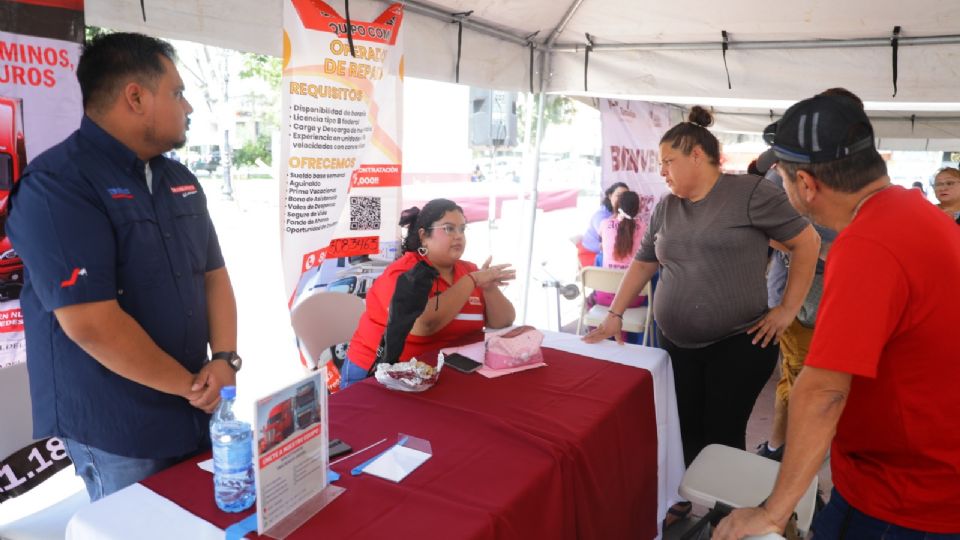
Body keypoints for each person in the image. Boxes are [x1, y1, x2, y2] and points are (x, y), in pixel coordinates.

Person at [6, 33, 239, 501]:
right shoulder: (57, 185)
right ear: (135, 97)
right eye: (176, 93)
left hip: (195, 403)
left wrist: (224, 359)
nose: (188, 106)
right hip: (118, 424)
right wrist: (191, 386)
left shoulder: (178, 177)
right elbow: (92, 324)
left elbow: (213, 274)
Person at [716, 94, 960, 539]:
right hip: (905, 474)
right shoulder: (914, 212)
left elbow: (823, 392)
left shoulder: (868, 244)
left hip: (905, 499)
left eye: (782, 176)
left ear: (805, 184)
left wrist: (772, 512)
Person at [583, 106, 820, 526]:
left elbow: (807, 242)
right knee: (683, 427)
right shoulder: (667, 207)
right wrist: (615, 313)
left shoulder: (749, 193)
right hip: (677, 343)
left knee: (722, 433)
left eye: (668, 162)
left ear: (697, 155)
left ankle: (728, 517)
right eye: (660, 165)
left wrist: (785, 310)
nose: (663, 172)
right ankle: (685, 499)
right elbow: (643, 262)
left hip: (738, 342)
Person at [341, 198, 516, 390]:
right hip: (379, 376)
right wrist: (472, 281)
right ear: (424, 236)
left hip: (442, 375)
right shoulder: (403, 274)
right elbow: (423, 325)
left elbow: (503, 321)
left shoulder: (468, 270)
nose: (458, 236)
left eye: (462, 229)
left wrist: (489, 288)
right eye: (449, 229)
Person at [595, 190, 647, 307]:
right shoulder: (643, 227)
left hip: (604, 296)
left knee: (599, 258)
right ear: (638, 209)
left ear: (618, 206)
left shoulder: (604, 224)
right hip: (633, 299)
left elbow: (601, 246)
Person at [579, 182, 629, 267]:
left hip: (610, 253)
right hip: (591, 253)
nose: (622, 199)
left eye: (625, 197)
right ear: (610, 196)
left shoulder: (625, 215)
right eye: (618, 195)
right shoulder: (601, 215)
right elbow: (608, 239)